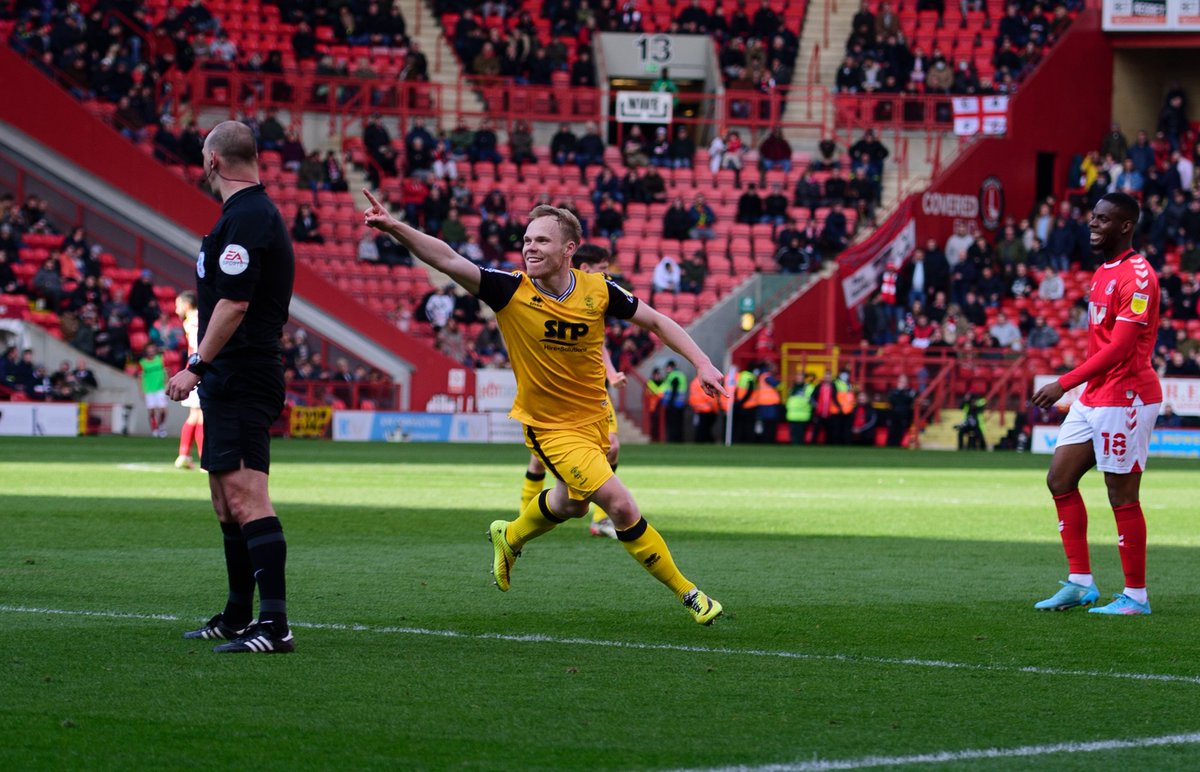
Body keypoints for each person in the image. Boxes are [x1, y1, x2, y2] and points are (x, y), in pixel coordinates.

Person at [362, 193, 726, 624]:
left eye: (541, 241)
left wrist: (702, 362)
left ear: (569, 249)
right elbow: (447, 259)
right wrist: (396, 227)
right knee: (622, 506)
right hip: (550, 427)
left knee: (572, 506)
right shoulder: (509, 290)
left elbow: (658, 322)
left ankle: (511, 534)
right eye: (527, 240)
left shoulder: (598, 290)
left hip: (593, 419)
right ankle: (691, 595)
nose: (529, 247)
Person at [165, 120, 297, 653]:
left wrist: (195, 362)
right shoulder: (242, 215)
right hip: (229, 375)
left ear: (213, 161)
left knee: (248, 496)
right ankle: (239, 614)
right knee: (225, 500)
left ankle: (275, 625)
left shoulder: (248, 217)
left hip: (242, 373)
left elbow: (236, 303)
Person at [1030, 192, 1162, 616]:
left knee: (1121, 494)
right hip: (1095, 396)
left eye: (1103, 219)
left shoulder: (1138, 277)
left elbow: (1122, 348)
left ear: (1125, 225)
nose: (1093, 224)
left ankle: (1136, 596)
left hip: (1127, 396)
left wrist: (1063, 383)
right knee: (1059, 479)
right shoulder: (1103, 271)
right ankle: (1080, 582)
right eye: (1092, 218)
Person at [519, 243, 626, 540]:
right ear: (585, 268)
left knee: (612, 446)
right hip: (553, 394)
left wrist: (610, 372)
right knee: (539, 459)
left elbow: (597, 342)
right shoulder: (549, 294)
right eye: (603, 270)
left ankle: (602, 518)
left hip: (591, 393)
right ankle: (525, 517)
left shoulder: (597, 295)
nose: (608, 276)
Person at [175, 291, 204, 469]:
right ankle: (203, 459)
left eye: (177, 304)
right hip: (199, 370)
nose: (175, 308)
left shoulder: (191, 321)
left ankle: (184, 455)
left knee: (196, 415)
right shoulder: (197, 320)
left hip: (193, 368)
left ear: (186, 305)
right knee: (200, 416)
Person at [139, 342, 168, 438]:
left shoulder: (160, 359)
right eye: (149, 350)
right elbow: (140, 378)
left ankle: (161, 427)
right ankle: (154, 429)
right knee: (151, 411)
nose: (151, 352)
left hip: (160, 388)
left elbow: (165, 372)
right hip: (149, 389)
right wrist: (141, 390)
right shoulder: (142, 363)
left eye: (152, 350)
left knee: (163, 410)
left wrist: (167, 383)